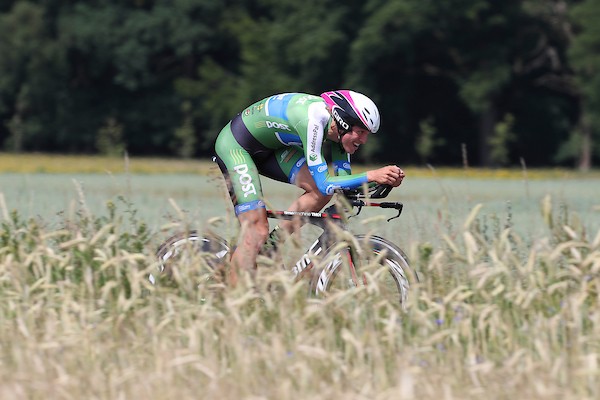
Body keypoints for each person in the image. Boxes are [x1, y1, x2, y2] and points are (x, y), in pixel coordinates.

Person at [214, 90, 405, 284]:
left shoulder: (339, 133)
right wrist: (372, 175)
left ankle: (270, 247)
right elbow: (325, 183)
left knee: (319, 194)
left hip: (274, 147)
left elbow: (342, 183)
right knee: (256, 231)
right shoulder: (313, 120)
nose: (363, 140)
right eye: (361, 132)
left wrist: (382, 180)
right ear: (343, 122)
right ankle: (232, 298)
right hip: (236, 147)